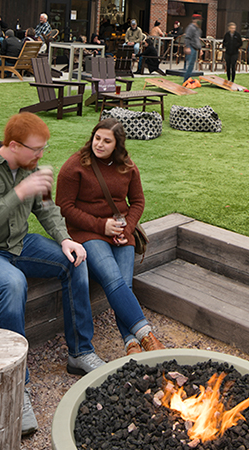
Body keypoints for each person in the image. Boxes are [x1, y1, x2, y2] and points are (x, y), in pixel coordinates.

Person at [0, 112, 106, 436]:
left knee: (76, 259)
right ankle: (15, 388)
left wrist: (65, 240)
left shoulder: (31, 169)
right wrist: (19, 193)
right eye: (36, 149)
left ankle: (81, 352)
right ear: (14, 145)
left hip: (18, 245)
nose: (41, 156)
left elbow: (47, 210)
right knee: (12, 282)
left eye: (44, 148)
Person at [56, 119, 165, 356]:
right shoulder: (75, 166)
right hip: (87, 232)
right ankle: (145, 334)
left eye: (107, 141)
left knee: (124, 284)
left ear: (117, 145)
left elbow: (137, 202)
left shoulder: (127, 166)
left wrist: (126, 230)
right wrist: (100, 226)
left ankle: (130, 344)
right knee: (114, 278)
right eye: (97, 138)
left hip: (120, 233)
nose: (100, 144)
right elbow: (64, 207)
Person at [183, 14, 202, 83]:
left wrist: (200, 49)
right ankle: (186, 80)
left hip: (195, 48)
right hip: (191, 47)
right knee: (189, 65)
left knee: (191, 65)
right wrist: (187, 47)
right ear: (194, 20)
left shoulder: (198, 29)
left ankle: (188, 79)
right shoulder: (191, 28)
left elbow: (197, 40)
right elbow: (187, 37)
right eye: (198, 19)